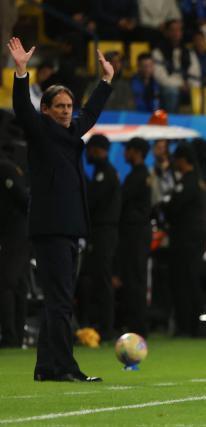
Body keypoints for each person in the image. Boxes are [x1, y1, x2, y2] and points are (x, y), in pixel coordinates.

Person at [8, 36, 113, 381]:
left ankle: (45, 368)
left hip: (69, 228)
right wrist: (22, 73)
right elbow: (22, 109)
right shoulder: (40, 132)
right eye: (61, 107)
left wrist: (106, 81)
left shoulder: (71, 134)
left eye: (69, 106)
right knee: (61, 301)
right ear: (47, 111)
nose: (67, 111)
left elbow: (92, 112)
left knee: (59, 300)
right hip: (51, 228)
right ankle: (64, 367)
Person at [161, 142, 206, 337]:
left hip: (187, 237)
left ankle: (189, 325)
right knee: (190, 278)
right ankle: (196, 324)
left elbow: (173, 207)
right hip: (195, 236)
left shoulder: (187, 182)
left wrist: (164, 206)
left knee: (183, 280)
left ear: (183, 160)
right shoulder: (198, 180)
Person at [81, 134, 122, 341]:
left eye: (90, 150)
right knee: (95, 278)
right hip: (101, 232)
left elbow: (93, 199)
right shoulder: (101, 172)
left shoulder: (105, 173)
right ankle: (99, 324)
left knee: (103, 279)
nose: (88, 154)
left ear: (99, 150)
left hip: (104, 232)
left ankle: (107, 328)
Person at [117, 137, 152, 337]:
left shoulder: (137, 175)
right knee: (136, 279)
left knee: (135, 280)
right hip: (138, 233)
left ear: (136, 152)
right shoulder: (141, 174)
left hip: (135, 234)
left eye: (127, 149)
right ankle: (137, 325)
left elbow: (122, 199)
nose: (125, 154)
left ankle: (138, 327)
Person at [0, 144, 29, 348]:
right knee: (18, 285)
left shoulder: (5, 168)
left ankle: (10, 336)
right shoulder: (10, 167)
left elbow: (24, 199)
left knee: (7, 283)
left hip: (15, 234)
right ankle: (16, 336)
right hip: (19, 233)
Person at [152, 19, 201, 113]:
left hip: (187, 86)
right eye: (172, 30)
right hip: (169, 87)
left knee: (199, 91)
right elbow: (161, 78)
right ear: (166, 32)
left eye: (178, 30)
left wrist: (189, 84)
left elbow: (195, 73)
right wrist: (180, 84)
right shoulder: (158, 52)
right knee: (171, 92)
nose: (176, 33)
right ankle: (171, 122)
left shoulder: (189, 52)